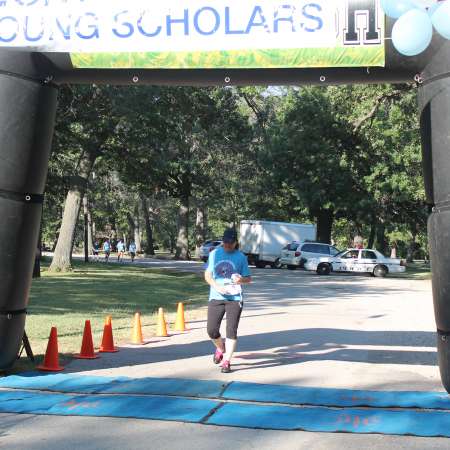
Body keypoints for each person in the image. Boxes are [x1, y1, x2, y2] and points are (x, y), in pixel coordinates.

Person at [205, 228, 251, 373]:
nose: (227, 245)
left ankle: (227, 361)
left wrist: (240, 279)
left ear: (235, 242)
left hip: (235, 298)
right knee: (212, 330)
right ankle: (220, 347)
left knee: (231, 330)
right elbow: (207, 275)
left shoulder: (241, 257)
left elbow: (248, 279)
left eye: (230, 243)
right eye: (225, 242)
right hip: (216, 296)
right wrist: (216, 286)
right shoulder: (214, 254)